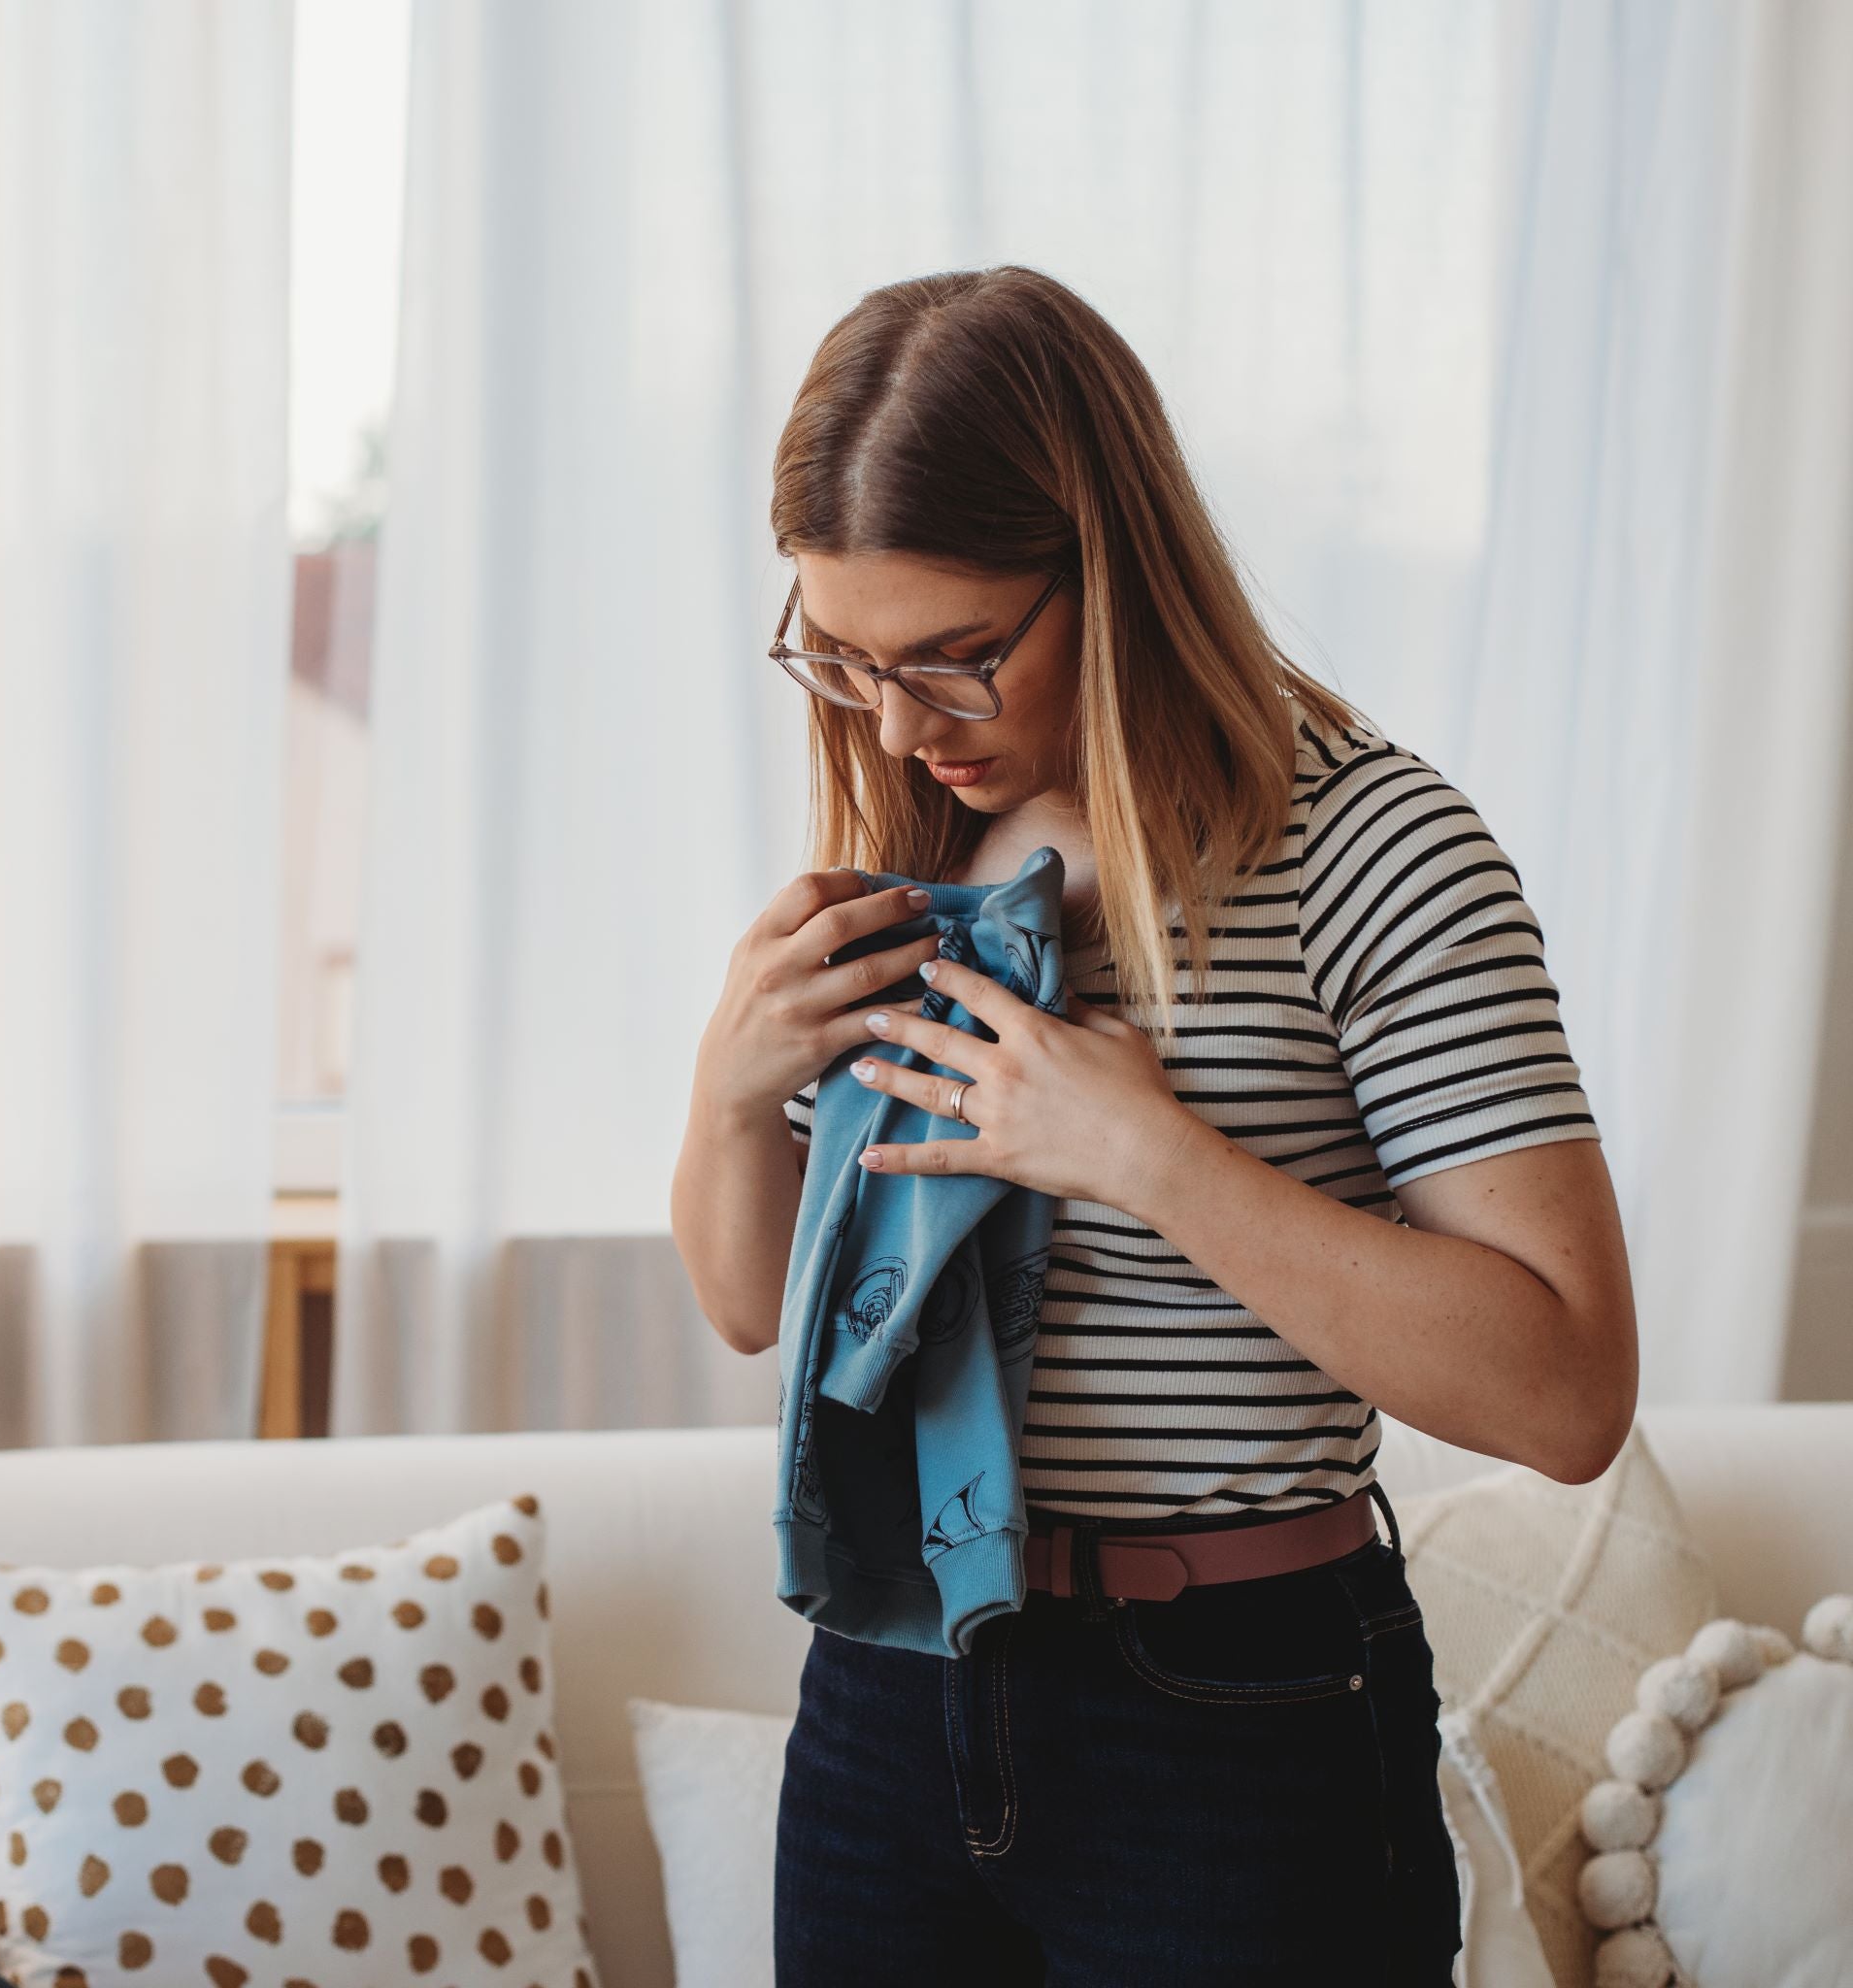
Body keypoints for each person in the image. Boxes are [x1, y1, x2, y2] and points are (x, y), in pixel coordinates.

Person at [670, 265, 1638, 1984]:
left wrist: (1153, 1160)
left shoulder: (1376, 858)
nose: (897, 722)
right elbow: (757, 1310)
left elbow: (1564, 1395)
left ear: (1109, 568)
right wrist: (731, 1090)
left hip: (1236, 1719)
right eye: (844, 656)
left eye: (957, 658)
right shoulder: (907, 834)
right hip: (889, 1692)